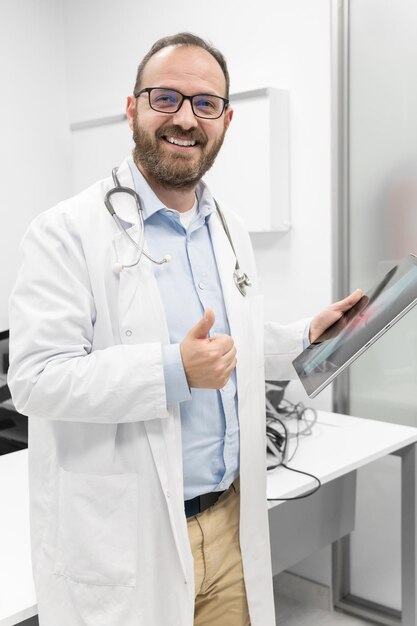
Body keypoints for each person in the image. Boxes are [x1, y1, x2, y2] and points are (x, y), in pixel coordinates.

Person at [8, 32, 362, 626]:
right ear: (133, 108)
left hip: (229, 525)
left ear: (225, 120)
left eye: (204, 104)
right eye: (165, 97)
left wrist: (304, 336)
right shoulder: (64, 232)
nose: (184, 118)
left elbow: (230, 348)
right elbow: (36, 381)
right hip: (130, 537)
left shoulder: (227, 227)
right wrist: (173, 370)